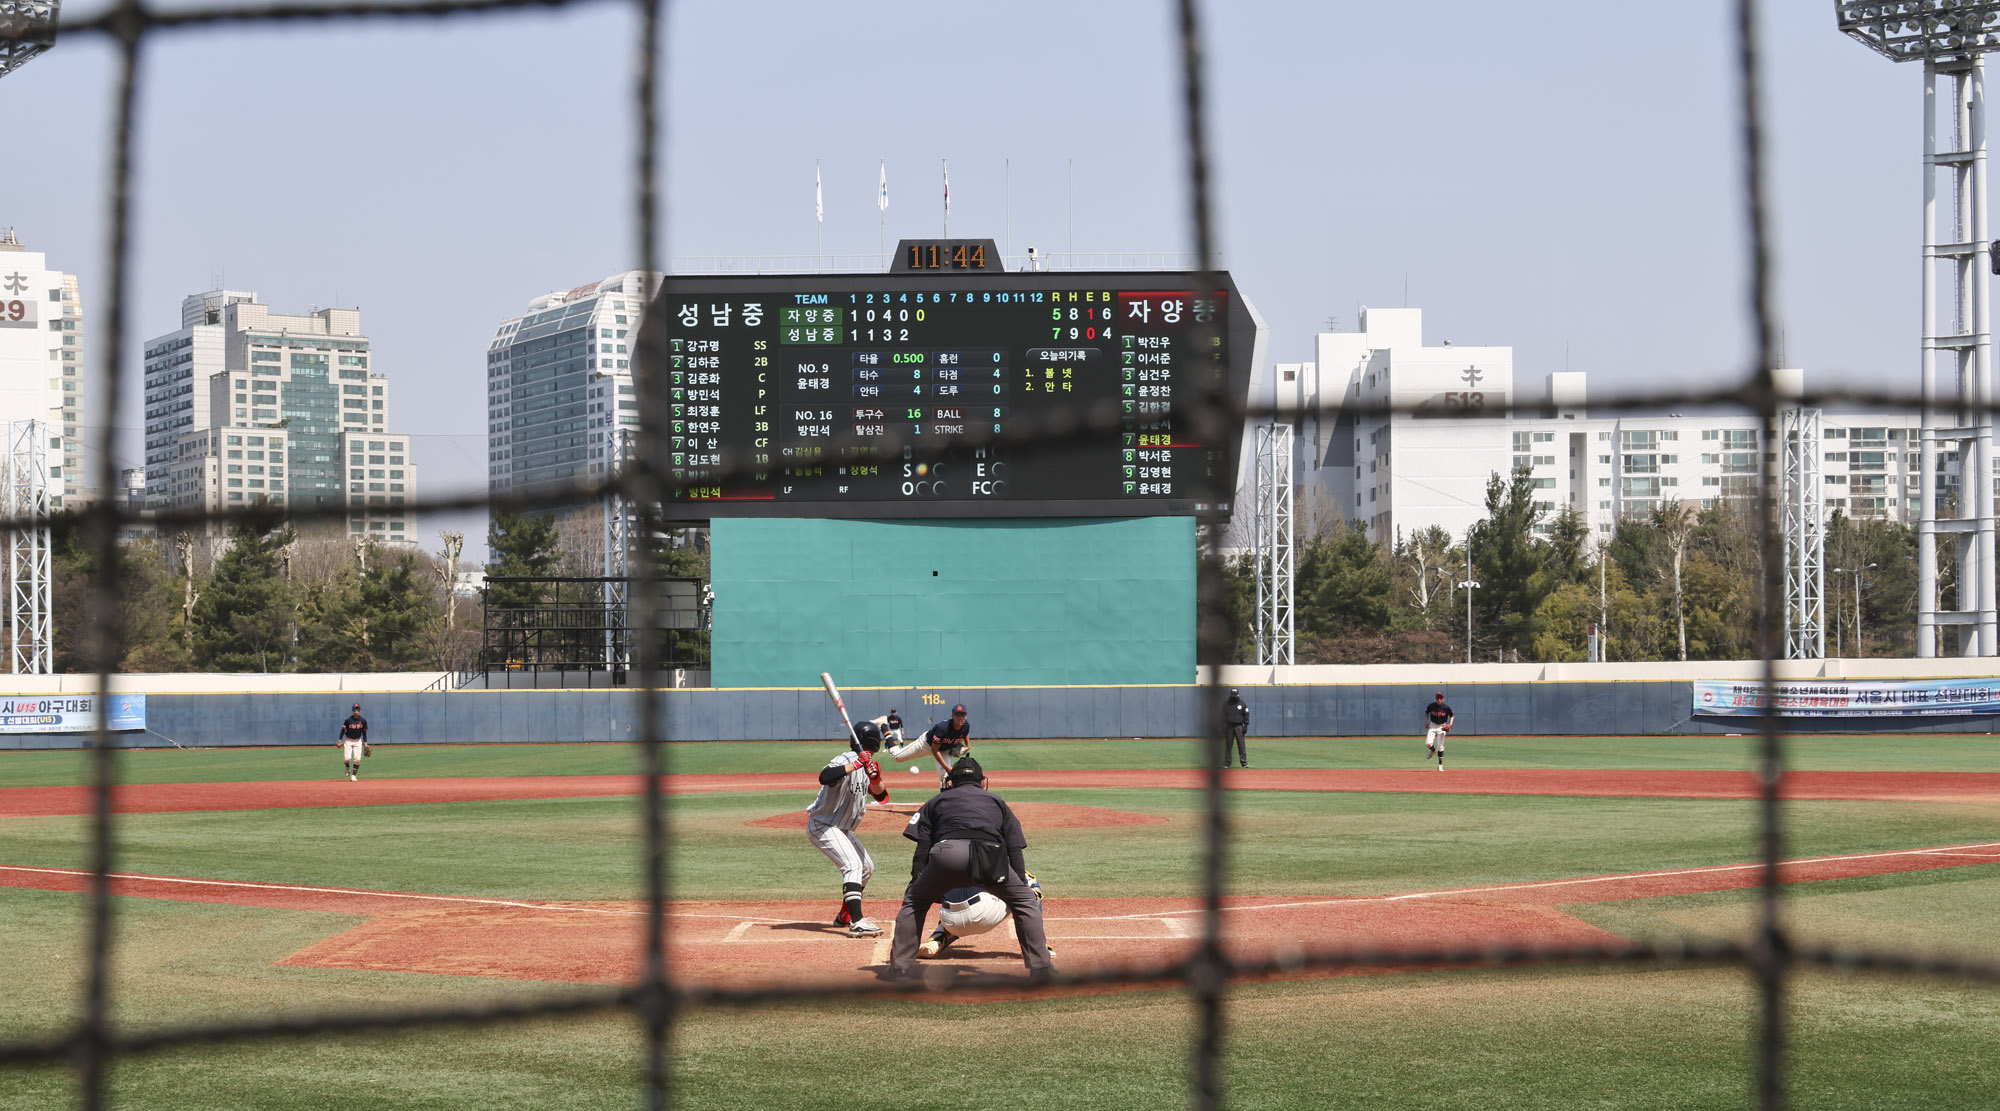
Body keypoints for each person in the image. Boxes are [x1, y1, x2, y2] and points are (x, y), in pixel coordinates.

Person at [886, 756, 1056, 981]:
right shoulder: (997, 801)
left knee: (914, 903)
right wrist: (1018, 885)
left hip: (947, 854)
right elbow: (1015, 848)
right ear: (982, 782)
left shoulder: (936, 801)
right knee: (1025, 901)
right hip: (990, 856)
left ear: (951, 782)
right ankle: (1041, 968)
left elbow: (923, 847)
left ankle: (900, 969)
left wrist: (916, 880)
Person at [808, 719, 891, 937]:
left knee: (867, 868)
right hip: (823, 825)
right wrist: (856, 764)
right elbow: (824, 777)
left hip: (841, 829)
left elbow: (881, 796)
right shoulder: (845, 759)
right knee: (853, 864)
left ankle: (844, 915)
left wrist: (875, 777)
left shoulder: (868, 764)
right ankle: (858, 922)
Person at [917, 874, 1055, 962]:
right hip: (982, 914)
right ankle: (1036, 948)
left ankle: (936, 939)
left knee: (955, 899)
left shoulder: (945, 854)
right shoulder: (990, 848)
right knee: (1029, 884)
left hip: (949, 919)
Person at [889, 703, 972, 787]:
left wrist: (968, 746)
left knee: (945, 777)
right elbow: (934, 750)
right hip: (926, 745)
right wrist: (946, 767)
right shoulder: (943, 728)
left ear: (966, 716)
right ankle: (885, 729)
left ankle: (945, 795)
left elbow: (965, 733)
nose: (960, 718)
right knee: (897, 757)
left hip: (944, 750)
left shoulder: (966, 725)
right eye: (957, 715)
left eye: (962, 715)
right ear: (952, 716)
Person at [337, 702, 369, 782]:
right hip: (348, 740)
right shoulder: (348, 720)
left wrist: (365, 743)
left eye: (358, 709)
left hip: (358, 741)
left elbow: (364, 733)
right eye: (355, 709)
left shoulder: (363, 721)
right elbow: (343, 730)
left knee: (357, 759)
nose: (356, 711)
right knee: (347, 758)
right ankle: (347, 767)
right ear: (352, 710)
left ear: (360, 710)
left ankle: (354, 775)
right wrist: (340, 740)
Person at [1424, 691, 1454, 770]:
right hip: (1433, 725)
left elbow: (1452, 715)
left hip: (1442, 726)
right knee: (1428, 743)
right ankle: (1433, 750)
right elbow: (1427, 712)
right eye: (1438, 698)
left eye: (1440, 698)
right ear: (1435, 698)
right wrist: (1426, 721)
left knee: (1440, 746)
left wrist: (1450, 724)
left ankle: (1440, 765)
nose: (1439, 699)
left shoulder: (1446, 707)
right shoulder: (1431, 706)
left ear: (1443, 699)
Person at [1221, 689, 1250, 768]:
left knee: (1241, 744)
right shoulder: (1226, 704)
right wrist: (1222, 725)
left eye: (1235, 694)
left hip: (1239, 726)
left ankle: (1244, 763)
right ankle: (1227, 763)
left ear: (1238, 694)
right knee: (1228, 745)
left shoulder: (1242, 704)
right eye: (1233, 694)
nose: (1234, 696)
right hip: (1229, 726)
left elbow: (1246, 714)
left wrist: (1246, 725)